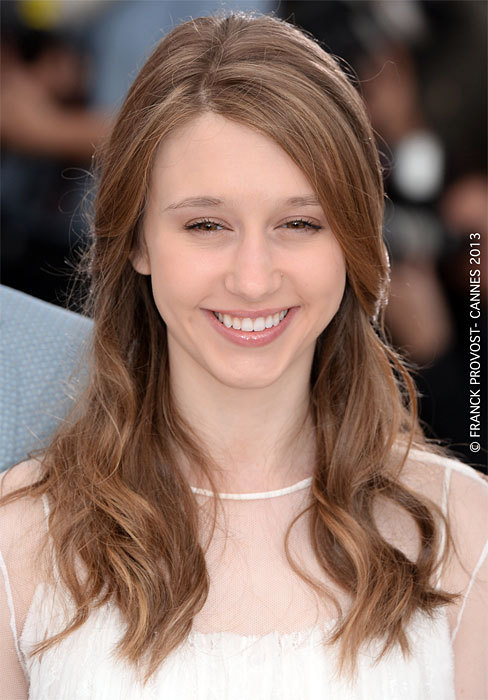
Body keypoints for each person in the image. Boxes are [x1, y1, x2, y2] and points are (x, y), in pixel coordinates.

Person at [1, 10, 486, 699]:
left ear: (350, 241)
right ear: (135, 240)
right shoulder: (18, 539)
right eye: (206, 224)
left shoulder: (463, 531)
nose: (253, 278)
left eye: (298, 223)